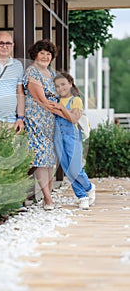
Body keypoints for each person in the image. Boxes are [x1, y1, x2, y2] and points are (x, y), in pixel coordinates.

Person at [23, 39, 63, 210]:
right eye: (42, 53)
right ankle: (47, 199)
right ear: (35, 54)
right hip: (36, 118)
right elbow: (41, 99)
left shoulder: (52, 74)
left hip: (51, 120)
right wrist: (62, 112)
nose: (46, 56)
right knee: (40, 157)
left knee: (50, 158)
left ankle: (48, 195)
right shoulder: (32, 72)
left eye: (49, 54)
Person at [53, 72, 96, 210]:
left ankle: (89, 187)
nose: (61, 88)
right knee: (66, 167)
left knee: (75, 167)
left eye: (63, 84)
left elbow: (74, 118)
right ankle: (81, 196)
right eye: (57, 86)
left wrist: (59, 108)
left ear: (70, 84)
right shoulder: (56, 99)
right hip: (58, 136)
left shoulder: (76, 100)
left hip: (72, 135)